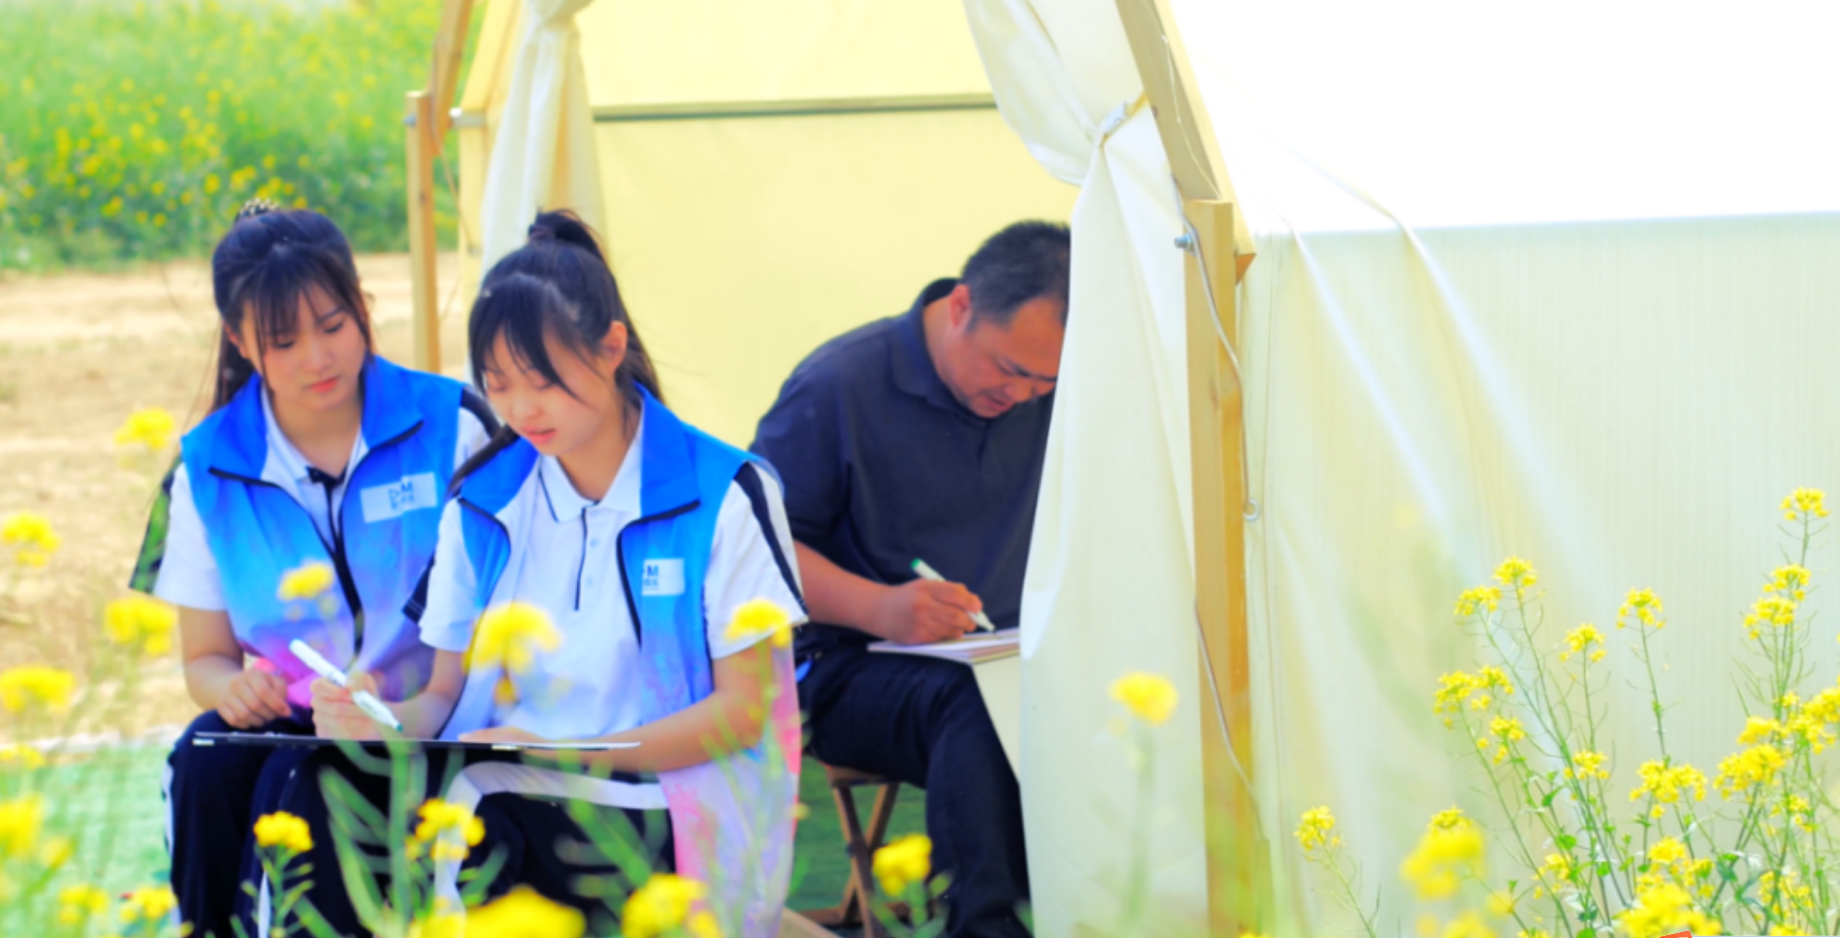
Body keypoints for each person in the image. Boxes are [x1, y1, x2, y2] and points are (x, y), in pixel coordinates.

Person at [280, 211, 805, 938]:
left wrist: (565, 752)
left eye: (544, 382)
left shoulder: (724, 492)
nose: (521, 410)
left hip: (668, 807)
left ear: (612, 346)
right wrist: (378, 723)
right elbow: (442, 696)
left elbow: (742, 713)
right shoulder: (483, 501)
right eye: (497, 385)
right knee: (329, 785)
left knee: (479, 805)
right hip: (507, 779)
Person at [128, 202, 497, 938]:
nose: (317, 359)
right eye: (284, 341)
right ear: (239, 340)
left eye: (332, 326)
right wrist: (234, 691)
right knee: (203, 759)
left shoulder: (456, 422)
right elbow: (203, 660)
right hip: (300, 722)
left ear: (362, 307)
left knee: (300, 779)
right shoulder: (201, 469)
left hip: (440, 714)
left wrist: (395, 693)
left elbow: (510, 609)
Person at [751, 220, 1071, 938]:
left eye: (1045, 380)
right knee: (975, 701)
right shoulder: (838, 385)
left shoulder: (1058, 394)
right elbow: (754, 547)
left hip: (1006, 651)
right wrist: (879, 607)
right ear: (961, 307)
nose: (1023, 394)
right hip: (845, 667)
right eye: (1010, 369)